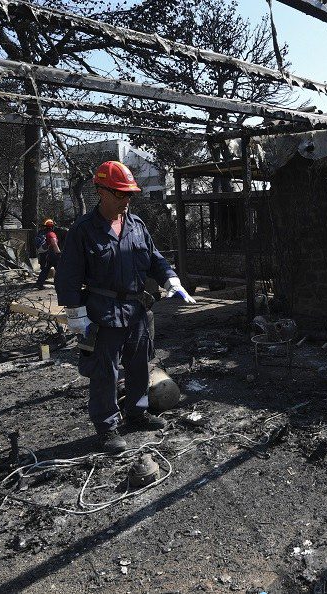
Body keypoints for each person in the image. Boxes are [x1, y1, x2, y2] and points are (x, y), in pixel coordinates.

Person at [55, 161, 196, 453]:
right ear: (101, 191)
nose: (126, 199)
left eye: (129, 194)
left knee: (139, 364)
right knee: (105, 372)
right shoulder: (83, 230)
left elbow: (155, 258)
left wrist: (172, 279)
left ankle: (137, 412)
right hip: (103, 312)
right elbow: (67, 277)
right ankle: (107, 428)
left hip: (137, 310)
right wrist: (75, 315)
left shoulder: (136, 225)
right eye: (120, 193)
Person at [35, 219, 61, 289]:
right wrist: (58, 253)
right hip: (52, 254)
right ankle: (59, 284)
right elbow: (54, 244)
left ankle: (39, 284)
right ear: (52, 227)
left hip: (44, 255)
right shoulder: (51, 234)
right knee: (59, 269)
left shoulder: (41, 233)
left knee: (45, 270)